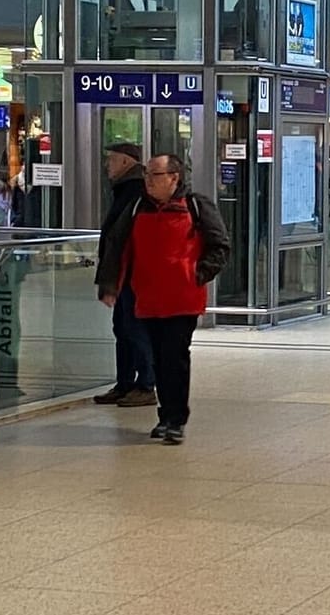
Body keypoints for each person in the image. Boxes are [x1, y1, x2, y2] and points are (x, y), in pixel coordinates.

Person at [95, 155, 229, 446]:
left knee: (175, 357)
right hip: (147, 297)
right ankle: (165, 416)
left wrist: (197, 273)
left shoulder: (196, 206)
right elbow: (116, 246)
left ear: (174, 177)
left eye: (155, 175)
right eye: (147, 175)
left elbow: (219, 245)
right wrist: (109, 285)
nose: (148, 181)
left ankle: (175, 418)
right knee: (157, 359)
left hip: (183, 299)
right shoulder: (136, 208)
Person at [92, 142, 155, 408]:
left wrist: (110, 280)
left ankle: (145, 384)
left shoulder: (136, 193)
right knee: (123, 328)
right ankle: (126, 382)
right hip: (125, 274)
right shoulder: (124, 191)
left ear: (127, 163)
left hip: (133, 273)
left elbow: (120, 239)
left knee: (134, 328)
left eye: (113, 160)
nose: (108, 165)